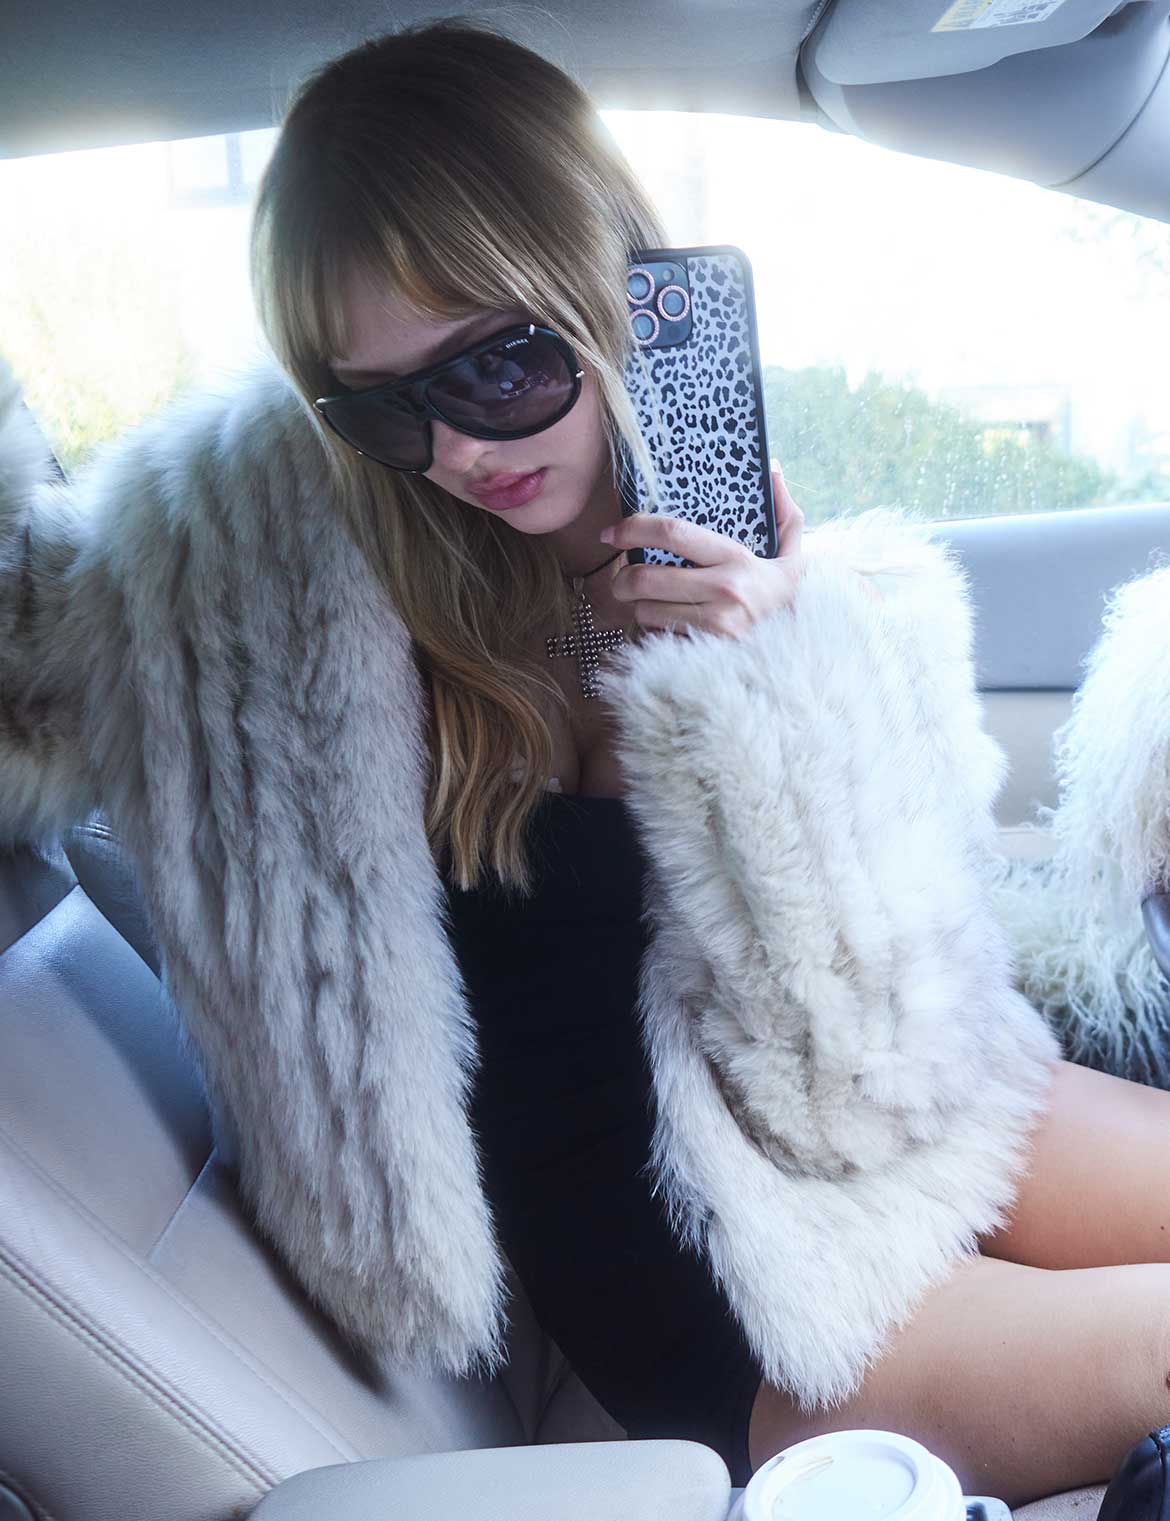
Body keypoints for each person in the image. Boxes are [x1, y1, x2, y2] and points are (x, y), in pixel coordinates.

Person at [2, 17, 1170, 1512]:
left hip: (895, 1122)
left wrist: (767, 693)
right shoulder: (252, 592)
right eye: (378, 405)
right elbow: (22, 652)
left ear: (611, 289)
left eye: (497, 366)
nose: (455, 452)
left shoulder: (767, 582)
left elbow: (875, 1063)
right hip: (698, 1267)